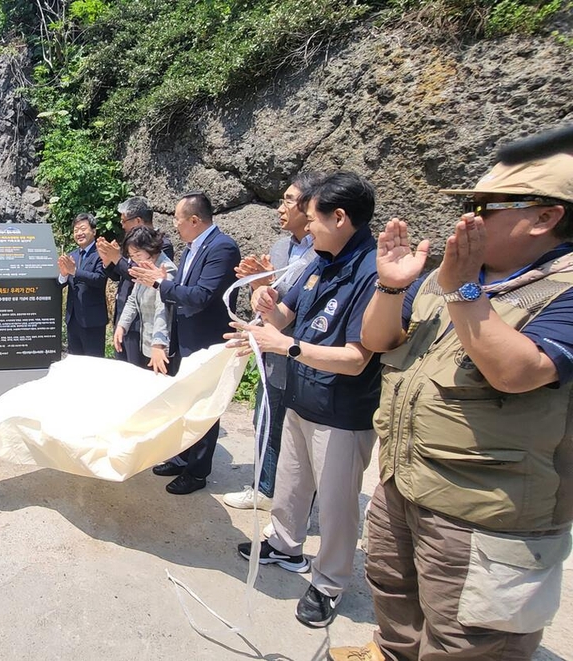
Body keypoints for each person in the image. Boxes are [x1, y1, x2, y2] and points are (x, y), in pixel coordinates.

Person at [330, 153, 573, 661]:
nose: (470, 218)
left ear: (545, 217)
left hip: (486, 509)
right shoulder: (454, 276)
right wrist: (393, 284)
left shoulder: (561, 288)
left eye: (485, 206)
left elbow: (517, 371)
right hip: (406, 479)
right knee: (394, 590)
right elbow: (378, 340)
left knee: (471, 638)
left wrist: (463, 289)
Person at [226, 172, 381, 629]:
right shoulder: (318, 258)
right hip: (301, 395)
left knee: (335, 503)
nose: (305, 228)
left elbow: (356, 358)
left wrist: (285, 345)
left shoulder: (373, 273)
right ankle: (285, 545)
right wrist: (266, 304)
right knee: (292, 484)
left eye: (311, 218)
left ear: (339, 216)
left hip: (342, 411)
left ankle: (329, 581)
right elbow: (287, 314)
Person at [222, 173, 321, 513]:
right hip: (270, 350)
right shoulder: (280, 248)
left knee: (296, 431)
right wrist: (258, 286)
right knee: (265, 418)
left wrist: (266, 287)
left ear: (311, 207)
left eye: (289, 201)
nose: (280, 209)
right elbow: (267, 307)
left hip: (305, 354)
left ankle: (296, 502)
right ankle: (267, 489)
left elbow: (299, 311)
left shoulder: (320, 255)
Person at [130, 191, 240, 494]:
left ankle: (198, 471)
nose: (175, 226)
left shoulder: (223, 248)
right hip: (186, 339)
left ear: (194, 219)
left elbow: (202, 296)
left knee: (205, 407)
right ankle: (182, 456)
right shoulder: (192, 247)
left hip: (207, 341)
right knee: (185, 403)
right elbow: (180, 289)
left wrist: (160, 283)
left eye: (178, 219)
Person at [98, 196, 174, 368]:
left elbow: (163, 304)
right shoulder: (135, 244)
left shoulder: (163, 247)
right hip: (129, 314)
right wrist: (108, 261)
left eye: (125, 221)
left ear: (138, 220)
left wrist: (118, 259)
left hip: (147, 327)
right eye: (131, 256)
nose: (122, 225)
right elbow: (124, 280)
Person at [113, 226, 176, 372]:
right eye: (131, 256)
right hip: (146, 341)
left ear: (149, 248)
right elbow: (133, 299)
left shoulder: (166, 268)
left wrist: (158, 344)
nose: (134, 259)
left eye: (137, 254)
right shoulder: (144, 266)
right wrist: (122, 326)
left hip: (160, 347)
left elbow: (164, 307)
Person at [58, 213, 108, 357]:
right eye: (75, 230)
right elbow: (61, 283)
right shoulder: (72, 255)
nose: (79, 233)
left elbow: (100, 279)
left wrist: (74, 271)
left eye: (83, 229)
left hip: (92, 320)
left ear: (93, 231)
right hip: (73, 319)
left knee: (94, 364)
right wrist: (63, 274)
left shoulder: (101, 253)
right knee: (75, 363)